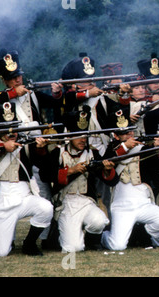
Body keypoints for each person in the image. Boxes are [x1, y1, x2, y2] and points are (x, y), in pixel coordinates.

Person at [42, 106, 119, 252]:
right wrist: (71, 170)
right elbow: (45, 175)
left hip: (86, 200)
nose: (83, 139)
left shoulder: (93, 153)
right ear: (70, 135)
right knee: (73, 248)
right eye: (79, 136)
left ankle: (92, 241)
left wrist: (107, 170)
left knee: (99, 221)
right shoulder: (58, 152)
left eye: (85, 136)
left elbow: (110, 181)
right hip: (66, 202)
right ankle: (59, 235)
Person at [100, 108, 159, 250]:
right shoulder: (111, 150)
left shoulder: (143, 147)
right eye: (125, 133)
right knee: (118, 246)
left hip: (143, 201)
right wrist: (124, 147)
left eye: (131, 131)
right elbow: (107, 166)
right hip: (121, 205)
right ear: (116, 136)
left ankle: (142, 233)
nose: (130, 135)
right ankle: (103, 236)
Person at [0, 102, 53, 257]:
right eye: (6, 127)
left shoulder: (25, 142)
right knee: (1, 252)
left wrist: (41, 149)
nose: (11, 131)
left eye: (14, 126)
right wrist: (2, 148)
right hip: (0, 201)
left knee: (46, 208)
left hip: (23, 197)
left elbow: (44, 168)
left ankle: (30, 243)